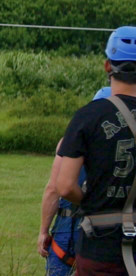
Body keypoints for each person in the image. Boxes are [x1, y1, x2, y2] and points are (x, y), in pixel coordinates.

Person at [57, 27, 136, 275]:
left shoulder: (87, 116)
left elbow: (65, 186)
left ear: (107, 66)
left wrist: (93, 202)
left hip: (99, 247)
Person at [39, 87, 110, 275]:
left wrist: (43, 231)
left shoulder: (70, 140)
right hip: (109, 232)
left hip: (67, 228)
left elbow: (53, 189)